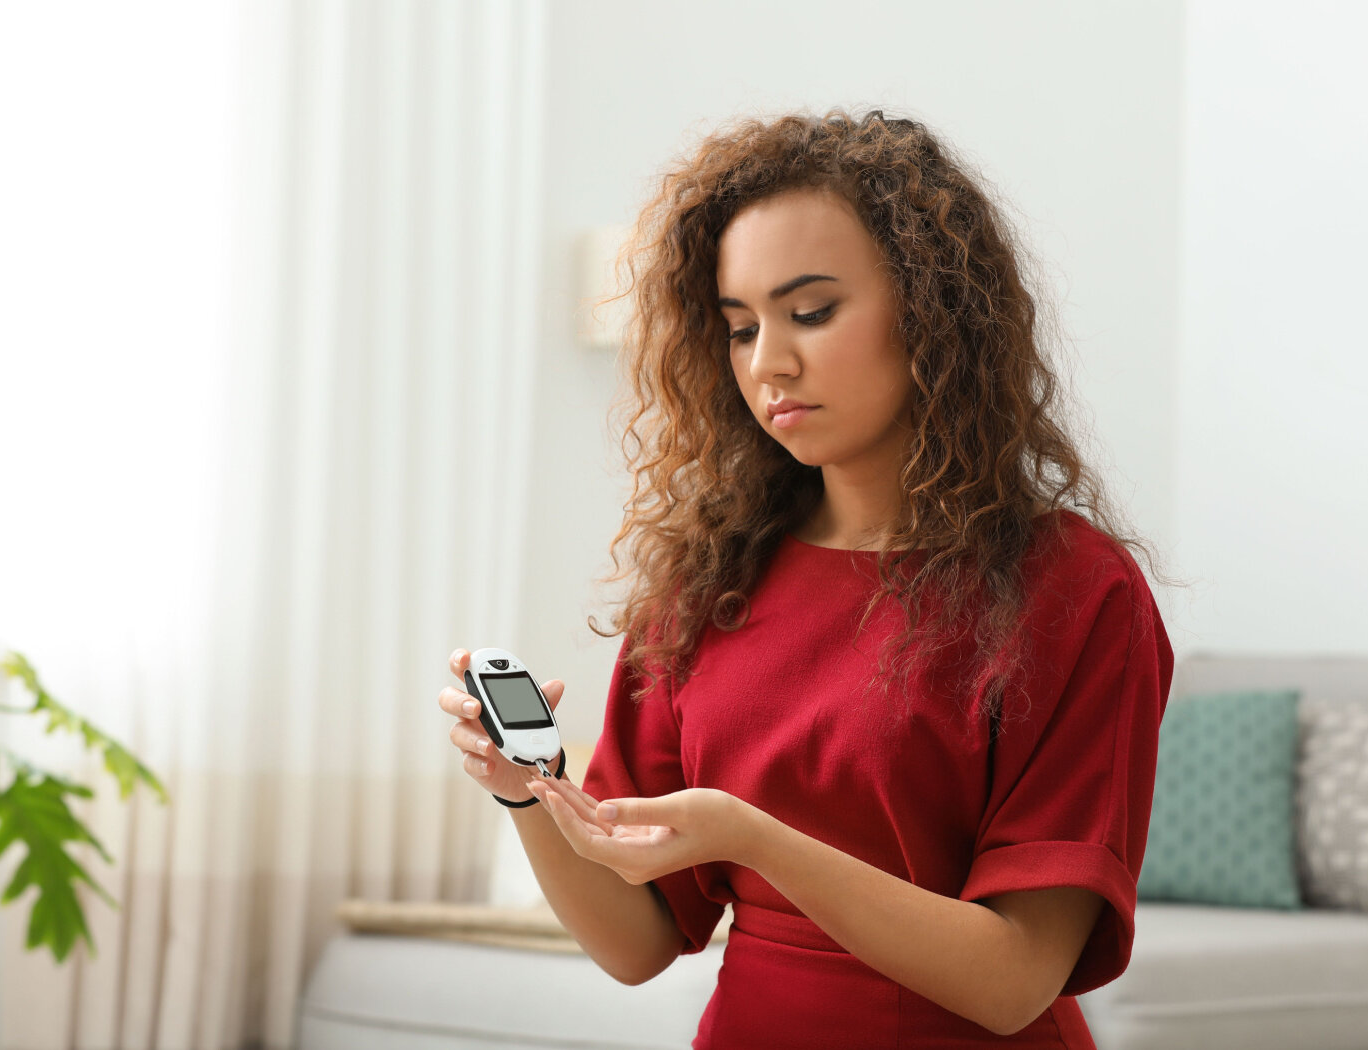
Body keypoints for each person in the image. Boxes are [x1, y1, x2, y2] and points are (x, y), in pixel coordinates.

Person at [438, 108, 1180, 1048]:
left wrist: (753, 839)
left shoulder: (1076, 590)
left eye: (812, 312)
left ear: (931, 308)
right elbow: (638, 943)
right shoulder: (707, 580)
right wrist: (529, 793)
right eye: (740, 328)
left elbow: (1012, 980)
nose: (768, 364)